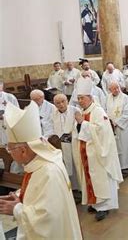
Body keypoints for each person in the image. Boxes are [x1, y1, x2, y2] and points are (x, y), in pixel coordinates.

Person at [2, 101, 82, 239]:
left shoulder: (48, 172)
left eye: (10, 148)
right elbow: (40, 192)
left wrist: (16, 209)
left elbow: (47, 219)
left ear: (23, 150)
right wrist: (20, 196)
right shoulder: (39, 163)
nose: (9, 152)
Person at [73, 77, 123, 221]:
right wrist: (79, 124)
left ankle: (105, 206)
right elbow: (81, 129)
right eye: (78, 98)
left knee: (101, 179)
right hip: (88, 153)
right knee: (92, 178)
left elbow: (103, 132)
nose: (80, 101)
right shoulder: (84, 111)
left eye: (82, 98)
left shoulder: (98, 111)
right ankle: (95, 204)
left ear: (90, 97)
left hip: (98, 153)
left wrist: (83, 124)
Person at [106, 82, 128, 170]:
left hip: (124, 127)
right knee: (116, 146)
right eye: (114, 88)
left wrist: (116, 123)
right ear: (110, 90)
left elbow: (127, 114)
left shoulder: (125, 98)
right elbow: (105, 110)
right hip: (112, 127)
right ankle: (118, 165)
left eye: (117, 87)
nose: (116, 90)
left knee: (125, 146)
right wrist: (108, 122)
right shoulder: (108, 98)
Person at [52, 93, 80, 189]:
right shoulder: (53, 113)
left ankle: (80, 187)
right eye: (58, 103)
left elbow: (79, 125)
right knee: (65, 165)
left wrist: (71, 135)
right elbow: (51, 127)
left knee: (76, 164)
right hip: (60, 144)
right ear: (55, 104)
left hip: (74, 143)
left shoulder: (75, 110)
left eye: (63, 101)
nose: (61, 104)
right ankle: (71, 188)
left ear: (67, 100)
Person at [0, 80, 19, 144]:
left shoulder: (10, 97)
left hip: (9, 124)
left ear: (2, 87)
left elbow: (17, 112)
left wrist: (5, 116)